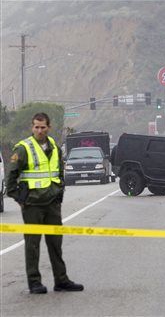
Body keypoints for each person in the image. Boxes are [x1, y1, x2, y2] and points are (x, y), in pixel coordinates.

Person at [6, 112, 84, 294]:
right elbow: (11, 176)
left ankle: (61, 281)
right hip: (32, 205)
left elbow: (59, 174)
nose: (39, 130)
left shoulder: (55, 148)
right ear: (32, 127)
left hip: (52, 204)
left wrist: (58, 195)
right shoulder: (23, 149)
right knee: (32, 245)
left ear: (48, 128)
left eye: (43, 127)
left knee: (56, 243)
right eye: (36, 127)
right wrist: (20, 199)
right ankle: (34, 283)